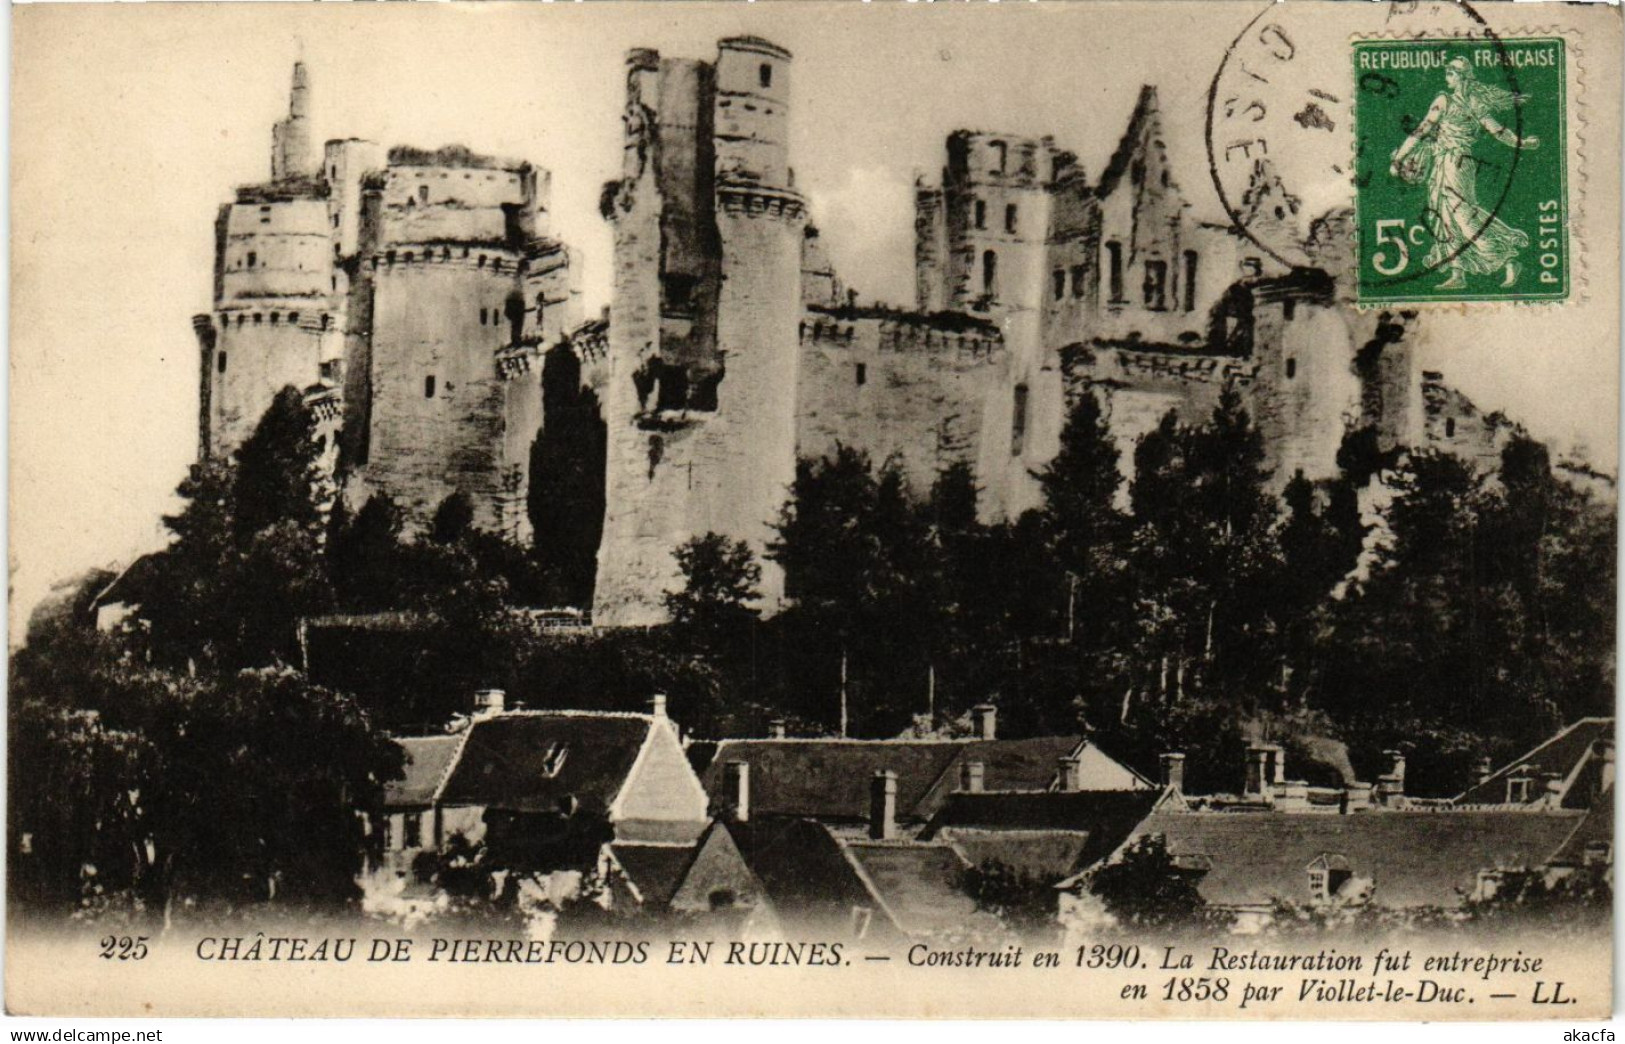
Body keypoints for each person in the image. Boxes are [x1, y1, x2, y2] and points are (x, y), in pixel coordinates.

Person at [1389, 56, 1539, 289]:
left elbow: (1422, 130)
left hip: (1454, 163)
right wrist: (1522, 142)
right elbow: (1498, 131)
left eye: (1450, 73)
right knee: (1445, 216)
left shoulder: (1445, 100)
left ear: (1460, 77)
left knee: (1463, 217)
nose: (1446, 78)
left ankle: (1507, 259)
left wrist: (1399, 158)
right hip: (1449, 163)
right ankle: (1458, 274)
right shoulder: (1473, 101)